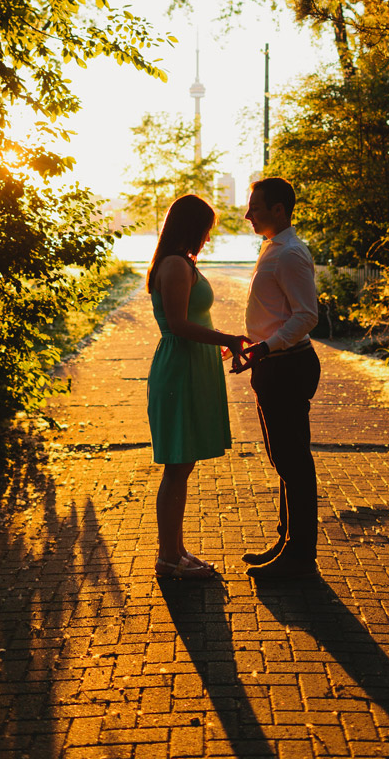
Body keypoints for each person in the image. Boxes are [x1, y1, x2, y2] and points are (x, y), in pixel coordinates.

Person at [147, 194, 247, 580]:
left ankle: (175, 550)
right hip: (180, 369)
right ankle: (168, 559)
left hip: (191, 365)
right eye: (206, 229)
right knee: (176, 465)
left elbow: (191, 318)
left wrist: (215, 342)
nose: (208, 237)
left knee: (182, 465)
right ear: (193, 227)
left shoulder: (181, 262)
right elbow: (177, 324)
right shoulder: (174, 264)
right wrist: (228, 337)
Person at [240, 177, 320, 578]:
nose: (247, 214)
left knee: (293, 462)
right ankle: (287, 541)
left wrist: (267, 347)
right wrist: (255, 345)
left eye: (254, 207)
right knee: (283, 459)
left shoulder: (289, 253)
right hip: (272, 363)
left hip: (287, 365)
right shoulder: (272, 247)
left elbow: (307, 316)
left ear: (278, 209)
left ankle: (300, 555)